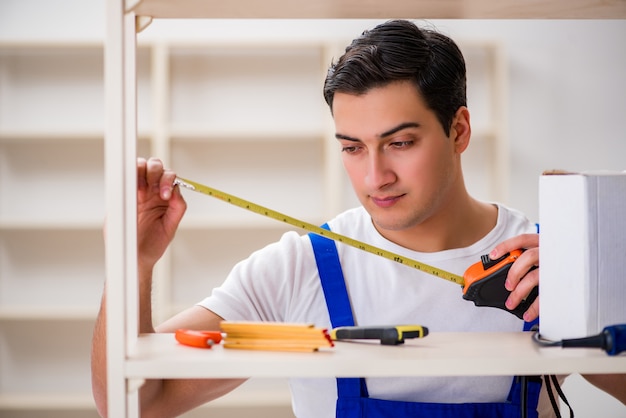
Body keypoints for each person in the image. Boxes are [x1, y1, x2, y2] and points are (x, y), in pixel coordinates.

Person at [91, 19, 626, 418]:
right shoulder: (299, 266)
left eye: (400, 143)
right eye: (352, 148)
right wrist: (132, 265)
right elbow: (137, 403)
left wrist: (582, 310)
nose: (375, 177)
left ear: (459, 130)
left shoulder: (543, 263)